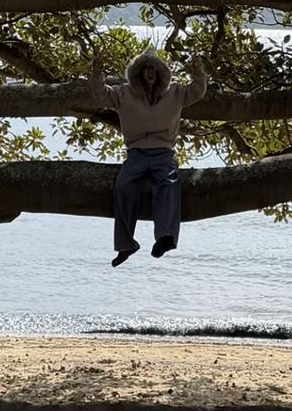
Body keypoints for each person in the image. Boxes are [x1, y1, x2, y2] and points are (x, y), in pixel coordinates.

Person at [87, 48, 207, 265]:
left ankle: (165, 237)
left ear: (160, 72)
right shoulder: (124, 93)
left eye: (154, 69)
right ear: (138, 73)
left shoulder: (175, 92)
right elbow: (101, 94)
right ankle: (125, 244)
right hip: (136, 154)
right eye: (146, 69)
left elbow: (197, 91)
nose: (150, 73)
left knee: (169, 183)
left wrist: (197, 70)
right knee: (124, 186)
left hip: (163, 153)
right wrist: (97, 73)